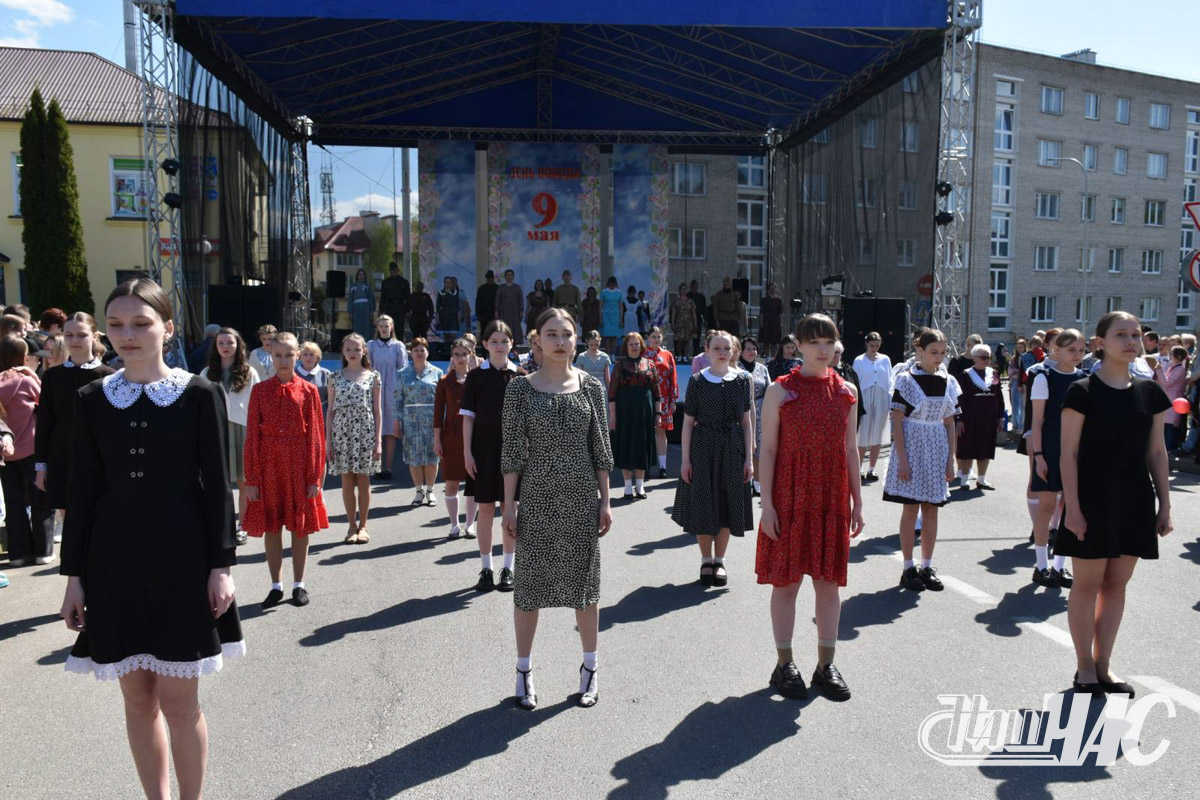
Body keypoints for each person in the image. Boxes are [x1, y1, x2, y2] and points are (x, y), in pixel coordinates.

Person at [58, 278, 242, 799]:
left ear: (167, 327)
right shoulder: (91, 398)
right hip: (111, 565)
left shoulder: (199, 394)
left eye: (141, 323)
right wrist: (74, 578)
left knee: (181, 704)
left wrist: (220, 567)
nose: (127, 335)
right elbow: (83, 492)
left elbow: (215, 488)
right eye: (115, 324)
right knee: (137, 699)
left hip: (183, 562)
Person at [501, 305, 614, 710]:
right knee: (529, 587)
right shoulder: (519, 388)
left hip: (582, 499)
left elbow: (601, 448)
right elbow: (512, 452)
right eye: (552, 334)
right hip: (536, 499)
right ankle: (524, 672)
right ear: (537, 339)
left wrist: (605, 499)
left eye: (567, 333)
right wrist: (508, 507)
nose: (561, 341)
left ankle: (590, 670)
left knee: (585, 588)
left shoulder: (591, 387)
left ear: (576, 337)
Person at [1058, 311, 1171, 695]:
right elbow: (1068, 455)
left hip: (1135, 498)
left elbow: (1157, 452)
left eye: (1135, 335)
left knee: (1117, 585)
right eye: (1121, 334)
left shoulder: (1150, 391)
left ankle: (1105, 665)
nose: (1131, 341)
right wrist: (1072, 507)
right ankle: (1084, 666)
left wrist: (1165, 505)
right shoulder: (1082, 391)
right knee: (1087, 584)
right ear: (1100, 342)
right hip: (1090, 498)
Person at [756, 313, 862, 701]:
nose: (823, 349)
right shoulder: (779, 390)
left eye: (829, 341)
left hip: (832, 497)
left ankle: (825, 664)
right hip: (789, 494)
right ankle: (784, 664)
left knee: (828, 585)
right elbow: (767, 450)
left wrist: (858, 501)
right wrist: (767, 504)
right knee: (786, 584)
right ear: (798, 345)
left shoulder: (848, 391)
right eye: (814, 341)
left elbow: (850, 449)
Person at [243, 333, 329, 607]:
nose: (283, 360)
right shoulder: (260, 390)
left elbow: (316, 434)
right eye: (277, 355)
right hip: (268, 466)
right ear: (271, 356)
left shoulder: (309, 390)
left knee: (299, 526)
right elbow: (252, 438)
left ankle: (299, 584)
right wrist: (252, 477)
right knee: (272, 527)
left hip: (299, 464)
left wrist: (315, 475)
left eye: (288, 355)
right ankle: (276, 585)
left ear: (297, 355)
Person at [672, 330, 755, 587]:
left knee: (728, 503)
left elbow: (746, 422)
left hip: (732, 447)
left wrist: (749, 459)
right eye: (717, 348)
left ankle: (720, 560)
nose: (722, 352)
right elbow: (687, 424)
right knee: (703, 502)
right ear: (707, 351)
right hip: (703, 447)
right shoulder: (697, 381)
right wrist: (685, 460)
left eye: (726, 348)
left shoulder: (743, 379)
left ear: (733, 351)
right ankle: (705, 559)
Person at [884, 329, 959, 593]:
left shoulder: (947, 380)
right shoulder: (906, 380)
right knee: (910, 508)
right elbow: (897, 420)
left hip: (936, 446)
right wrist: (902, 460)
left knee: (932, 509)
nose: (939, 357)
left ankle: (927, 565)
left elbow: (950, 423)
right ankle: (908, 567)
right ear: (920, 351)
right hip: (912, 444)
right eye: (933, 352)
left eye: (942, 352)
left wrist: (950, 459)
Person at [34, 313, 114, 530]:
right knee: (69, 518)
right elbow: (44, 423)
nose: (75, 340)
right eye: (69, 335)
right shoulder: (53, 376)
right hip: (62, 455)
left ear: (94, 336)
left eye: (81, 335)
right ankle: (72, 563)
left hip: (98, 456)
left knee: (98, 517)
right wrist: (41, 467)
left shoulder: (109, 376)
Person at [462, 320, 525, 593]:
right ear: (485, 345)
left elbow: (527, 422)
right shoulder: (475, 377)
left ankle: (508, 568)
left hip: (513, 453)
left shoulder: (521, 377)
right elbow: (468, 419)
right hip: (483, 452)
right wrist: (467, 453)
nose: (500, 346)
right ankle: (486, 567)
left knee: (509, 508)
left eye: (505, 341)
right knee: (485, 508)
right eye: (494, 341)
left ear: (512, 344)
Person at [1028, 330, 1086, 587]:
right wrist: (1039, 456)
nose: (1077, 355)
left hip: (1075, 451)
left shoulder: (1085, 378)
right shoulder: (1044, 377)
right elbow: (1037, 422)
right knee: (1047, 507)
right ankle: (1041, 566)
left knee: (1069, 507)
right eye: (1071, 350)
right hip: (1050, 449)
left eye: (1081, 350)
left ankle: (1060, 566)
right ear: (1057, 350)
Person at [0, 335, 53, 566]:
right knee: (41, 500)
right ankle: (43, 551)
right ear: (23, 356)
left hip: (5, 453)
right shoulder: (24, 380)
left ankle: (17, 554)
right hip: (31, 449)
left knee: (14, 505)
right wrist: (32, 375)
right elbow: (46, 401)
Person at [206, 328, 260, 547]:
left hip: (243, 428)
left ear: (238, 346)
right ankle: (223, 524)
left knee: (244, 481)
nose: (225, 347)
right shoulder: (207, 372)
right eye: (221, 343)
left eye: (230, 342)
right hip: (216, 429)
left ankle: (242, 526)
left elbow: (256, 405)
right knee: (220, 481)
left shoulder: (249, 372)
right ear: (216, 346)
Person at [327, 333, 382, 544]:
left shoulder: (374, 376)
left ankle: (364, 526)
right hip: (341, 433)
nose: (352, 353)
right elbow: (330, 411)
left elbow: (377, 411)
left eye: (357, 349)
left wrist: (378, 440)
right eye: (348, 349)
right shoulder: (334, 377)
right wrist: (327, 442)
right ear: (342, 351)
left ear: (364, 351)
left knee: (364, 480)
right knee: (346, 481)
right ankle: (351, 526)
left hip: (365, 432)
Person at [609, 332, 660, 498]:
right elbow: (612, 393)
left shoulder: (650, 364)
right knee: (626, 445)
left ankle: (640, 486)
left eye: (636, 343)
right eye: (631, 344)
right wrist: (613, 416)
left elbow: (656, 392)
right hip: (625, 411)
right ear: (626, 346)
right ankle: (627, 487)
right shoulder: (620, 365)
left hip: (645, 410)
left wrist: (658, 413)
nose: (634, 346)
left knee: (642, 446)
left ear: (641, 345)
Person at [434, 339, 476, 539]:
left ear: (471, 354)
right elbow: (437, 413)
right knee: (451, 482)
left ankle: (470, 525)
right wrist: (437, 440)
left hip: (475, 436)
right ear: (452, 356)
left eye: (464, 354)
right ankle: (454, 525)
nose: (460, 358)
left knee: (473, 481)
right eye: (457, 354)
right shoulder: (444, 381)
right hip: (450, 436)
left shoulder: (478, 379)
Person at [396, 337, 443, 507]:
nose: (419, 353)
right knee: (413, 457)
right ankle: (418, 491)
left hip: (431, 420)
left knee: (432, 456)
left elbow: (441, 400)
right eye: (416, 350)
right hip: (410, 420)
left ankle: (430, 491)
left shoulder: (436, 372)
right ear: (411, 353)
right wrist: (397, 421)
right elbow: (398, 399)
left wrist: (441, 422)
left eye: (422, 350)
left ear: (427, 352)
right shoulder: (402, 373)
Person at [953, 344, 1005, 491]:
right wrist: (960, 419)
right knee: (967, 446)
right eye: (983, 357)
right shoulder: (965, 374)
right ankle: (964, 479)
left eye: (988, 357)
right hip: (970, 416)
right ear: (975, 358)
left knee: (986, 446)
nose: (986, 360)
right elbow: (960, 398)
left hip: (989, 416)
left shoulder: (994, 373)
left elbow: (999, 397)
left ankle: (982, 479)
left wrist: (1000, 417)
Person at [368, 315, 408, 481]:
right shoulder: (371, 345)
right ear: (377, 327)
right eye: (381, 325)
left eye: (387, 325)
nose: (384, 328)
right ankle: (376, 466)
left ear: (392, 327)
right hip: (374, 388)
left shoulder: (398, 346)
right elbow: (367, 366)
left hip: (392, 389)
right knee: (375, 429)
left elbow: (403, 368)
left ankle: (388, 468)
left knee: (390, 431)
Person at [852, 332, 893, 483]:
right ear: (866, 344)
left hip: (881, 397)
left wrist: (890, 404)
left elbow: (889, 382)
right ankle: (859, 468)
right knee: (862, 435)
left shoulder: (885, 359)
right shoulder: (859, 360)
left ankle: (872, 469)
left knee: (878, 434)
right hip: (865, 397)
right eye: (871, 345)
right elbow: (855, 381)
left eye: (877, 345)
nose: (874, 348)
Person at [644, 327, 679, 479]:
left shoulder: (667, 355)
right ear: (648, 338)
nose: (656, 339)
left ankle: (663, 466)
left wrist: (673, 399)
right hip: (647, 398)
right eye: (653, 336)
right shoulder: (643, 354)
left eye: (658, 336)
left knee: (661, 431)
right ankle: (644, 466)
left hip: (664, 398)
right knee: (645, 432)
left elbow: (673, 378)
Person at [739, 336, 771, 496]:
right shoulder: (735, 368)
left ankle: (757, 484)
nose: (751, 352)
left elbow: (769, 390)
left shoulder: (762, 368)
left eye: (754, 349)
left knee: (758, 448)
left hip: (760, 409)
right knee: (742, 447)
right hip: (740, 412)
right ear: (741, 351)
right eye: (748, 349)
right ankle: (744, 482)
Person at [1156, 345, 1188, 451]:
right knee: (1166, 425)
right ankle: (1167, 447)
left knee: (1170, 426)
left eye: (1171, 354)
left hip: (1173, 400)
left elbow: (1167, 383)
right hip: (1169, 399)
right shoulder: (1173, 366)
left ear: (1178, 356)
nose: (1169, 355)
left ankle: (1170, 448)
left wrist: (1159, 371)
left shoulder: (1180, 369)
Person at [296, 341, 332, 417]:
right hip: (299, 414)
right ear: (300, 356)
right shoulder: (294, 373)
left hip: (321, 414)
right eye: (305, 354)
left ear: (317, 356)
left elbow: (331, 400)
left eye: (312, 355)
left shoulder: (326, 374)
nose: (308, 358)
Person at [380, 261, 411, 338]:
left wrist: (408, 311)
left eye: (395, 271)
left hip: (400, 307)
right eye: (392, 272)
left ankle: (399, 345)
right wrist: (382, 311)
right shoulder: (385, 282)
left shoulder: (404, 282)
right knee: (389, 328)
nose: (394, 273)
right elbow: (383, 297)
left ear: (398, 270)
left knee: (399, 329)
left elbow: (408, 297)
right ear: (390, 271)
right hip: (390, 307)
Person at [496, 269, 525, 346]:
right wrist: (496, 312)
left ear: (513, 277)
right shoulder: (501, 287)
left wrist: (521, 311)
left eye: (511, 275)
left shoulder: (517, 287)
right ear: (505, 277)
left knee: (515, 331)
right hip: (504, 313)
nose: (509, 277)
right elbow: (497, 300)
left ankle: (514, 350)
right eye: (507, 275)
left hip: (515, 313)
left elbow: (521, 300)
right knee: (504, 329)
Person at [669, 283, 697, 355]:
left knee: (687, 340)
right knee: (679, 340)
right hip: (679, 323)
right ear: (680, 290)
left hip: (688, 323)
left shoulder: (690, 301)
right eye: (682, 289)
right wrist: (672, 324)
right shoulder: (676, 301)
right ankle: (679, 355)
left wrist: (695, 324)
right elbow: (673, 314)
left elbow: (693, 313)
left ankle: (685, 356)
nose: (683, 290)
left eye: (685, 289)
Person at [348, 268, 376, 339]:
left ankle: (366, 344)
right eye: (359, 274)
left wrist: (371, 311)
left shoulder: (368, 286)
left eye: (362, 274)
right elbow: (350, 299)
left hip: (366, 309)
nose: (361, 276)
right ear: (357, 276)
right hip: (356, 310)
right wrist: (350, 312)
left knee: (367, 327)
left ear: (365, 276)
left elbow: (371, 298)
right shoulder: (353, 287)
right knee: (357, 327)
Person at [1008, 338, 1028, 432]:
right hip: (1015, 381)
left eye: (1021, 347)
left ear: (1025, 347)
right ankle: (1015, 424)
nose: (1019, 349)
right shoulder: (1014, 358)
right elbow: (1010, 371)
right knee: (1015, 404)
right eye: (1018, 347)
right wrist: (1016, 373)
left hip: (1023, 382)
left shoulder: (1027, 357)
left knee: (1022, 404)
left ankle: (1021, 425)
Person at [600, 277, 623, 353]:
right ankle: (608, 354)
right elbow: (600, 306)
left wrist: (620, 320)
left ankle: (613, 354)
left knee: (614, 336)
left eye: (614, 282)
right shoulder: (604, 292)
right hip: (606, 316)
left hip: (615, 316)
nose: (612, 284)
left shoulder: (619, 292)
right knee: (607, 336)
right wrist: (601, 319)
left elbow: (621, 307)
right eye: (611, 282)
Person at [687, 280, 708, 354]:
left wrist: (706, 319)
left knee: (697, 337)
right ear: (690, 287)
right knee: (686, 337)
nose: (694, 288)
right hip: (687, 319)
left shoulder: (701, 297)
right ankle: (685, 354)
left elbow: (704, 309)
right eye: (693, 286)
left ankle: (695, 353)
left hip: (698, 319)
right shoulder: (687, 296)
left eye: (696, 286)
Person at [476, 270, 499, 334]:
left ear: (493, 278)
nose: (489, 279)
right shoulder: (481, 288)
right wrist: (478, 314)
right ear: (486, 278)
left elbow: (500, 302)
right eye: (488, 278)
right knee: (484, 331)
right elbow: (478, 302)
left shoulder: (497, 288)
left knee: (494, 330)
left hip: (494, 314)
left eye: (491, 278)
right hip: (484, 314)